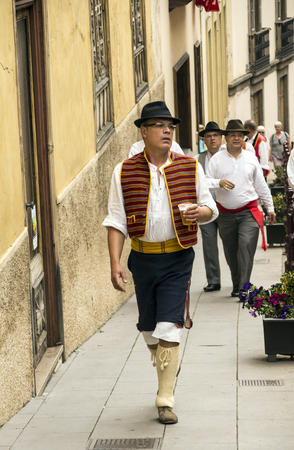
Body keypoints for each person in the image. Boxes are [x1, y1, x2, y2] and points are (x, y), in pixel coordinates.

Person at [102, 101, 218, 425]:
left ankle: (164, 398)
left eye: (170, 126)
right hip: (142, 259)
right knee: (148, 328)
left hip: (179, 257)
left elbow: (211, 208)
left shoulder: (190, 166)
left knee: (169, 326)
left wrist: (201, 212)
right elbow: (115, 220)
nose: (167, 130)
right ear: (144, 131)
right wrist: (115, 263)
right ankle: (168, 359)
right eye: (159, 125)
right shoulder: (123, 170)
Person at [206, 119, 276, 299]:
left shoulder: (251, 158)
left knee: (245, 247)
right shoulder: (216, 160)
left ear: (244, 138)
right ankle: (237, 284)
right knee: (231, 253)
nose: (236, 138)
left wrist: (270, 208)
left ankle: (244, 287)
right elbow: (204, 183)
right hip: (225, 215)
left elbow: (261, 185)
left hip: (249, 213)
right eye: (232, 135)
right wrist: (218, 183)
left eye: (240, 135)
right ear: (226, 138)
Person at [195, 121, 224, 292]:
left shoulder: (228, 155)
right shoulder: (196, 160)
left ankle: (238, 281)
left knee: (230, 247)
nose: (212, 139)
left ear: (221, 138)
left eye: (215, 135)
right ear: (203, 140)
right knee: (209, 245)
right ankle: (213, 280)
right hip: (206, 210)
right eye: (208, 136)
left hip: (227, 208)